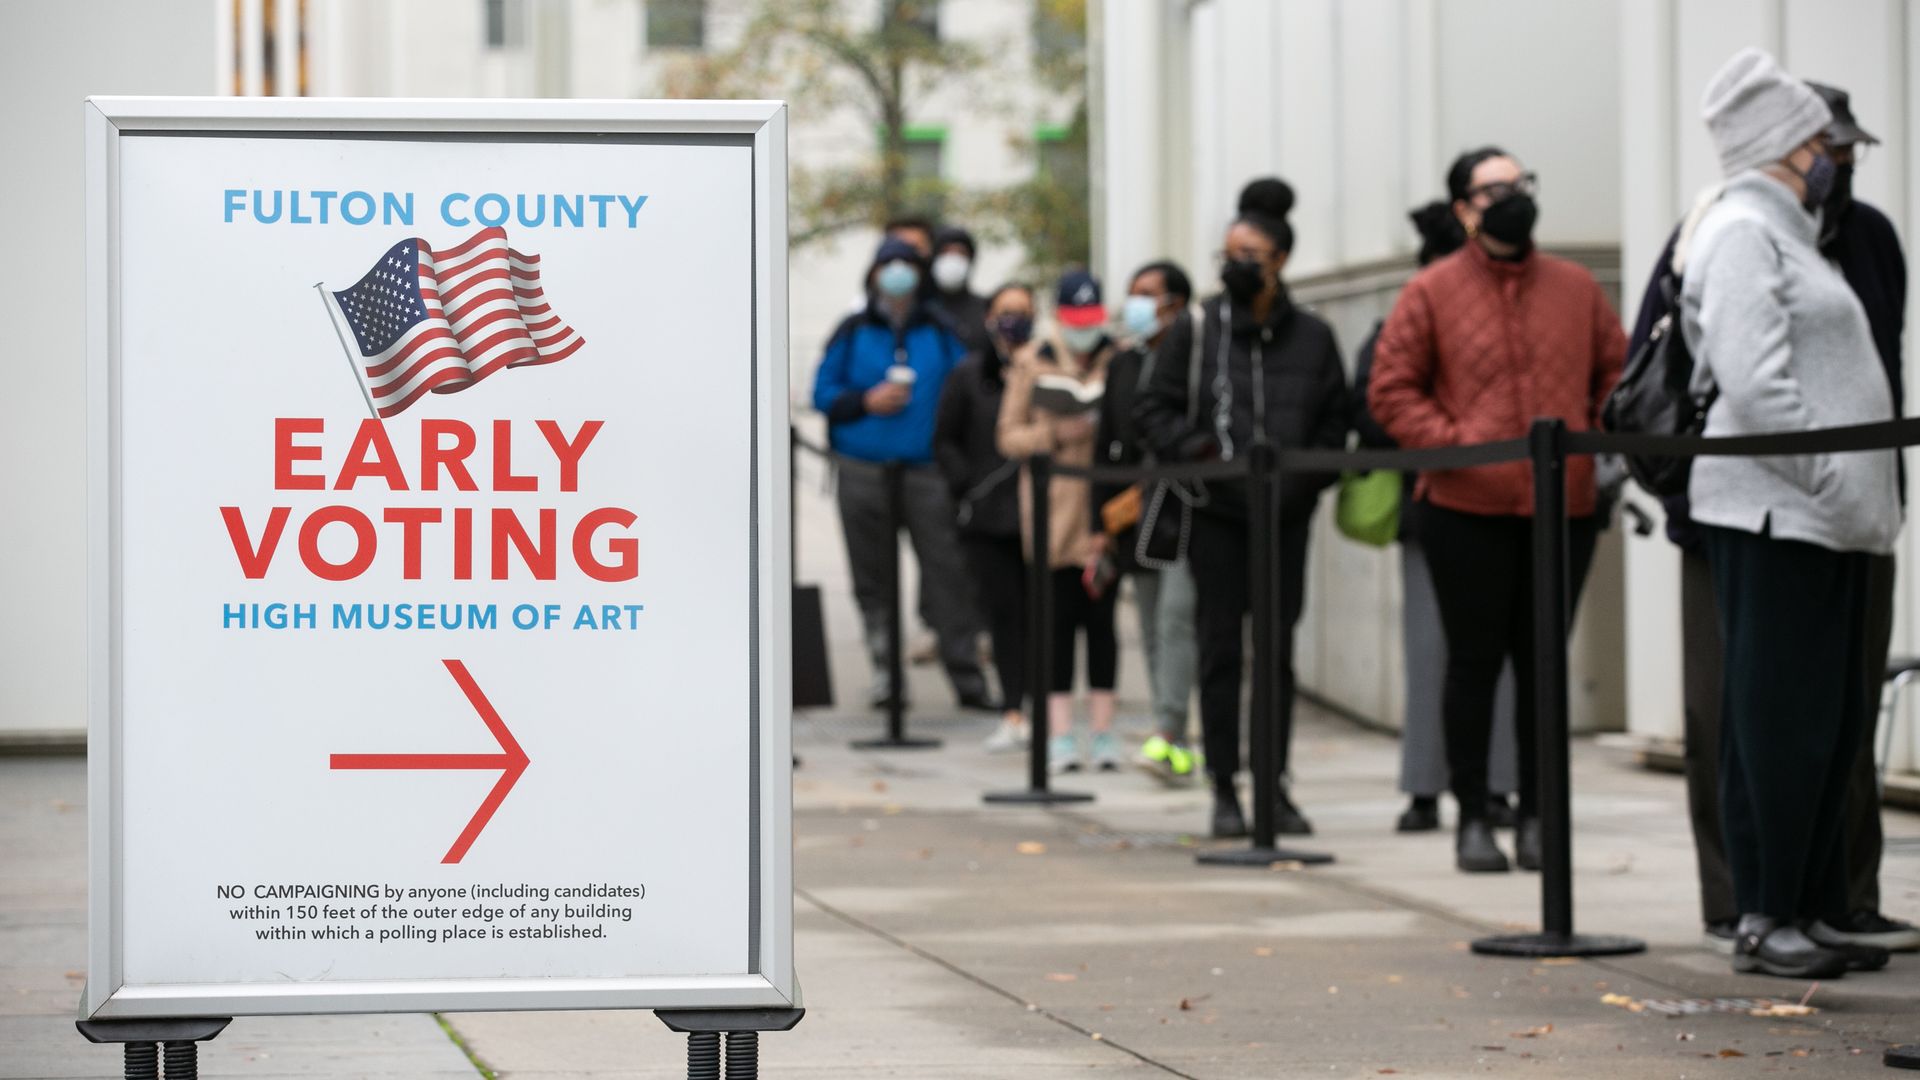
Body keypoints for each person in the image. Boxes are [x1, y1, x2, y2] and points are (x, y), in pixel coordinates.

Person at [1635, 79, 1920, 956]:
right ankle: (1765, 912)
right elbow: (1756, 388)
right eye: (1820, 143)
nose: (1833, 160)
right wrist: (1827, 480)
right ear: (1785, 145)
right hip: (1777, 517)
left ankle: (1818, 903)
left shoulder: (1797, 235)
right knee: (1773, 722)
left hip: (1826, 521)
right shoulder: (1740, 232)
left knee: (1830, 725)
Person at [1369, 148, 1625, 874]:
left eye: (1519, 184)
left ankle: (1542, 817)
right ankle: (1473, 816)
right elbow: (1392, 389)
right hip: (1465, 508)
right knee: (1474, 665)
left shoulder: (1575, 287)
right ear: (1463, 209)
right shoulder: (1431, 290)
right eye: (1492, 189)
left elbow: (1619, 371)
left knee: (1544, 665)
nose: (1510, 197)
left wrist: (1591, 439)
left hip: (1563, 506)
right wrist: (1457, 446)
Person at [1133, 182, 1351, 838]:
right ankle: (1223, 787)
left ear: (1279, 259)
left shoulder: (1313, 337)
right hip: (1216, 516)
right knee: (1220, 651)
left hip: (1284, 519)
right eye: (1228, 252)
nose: (1236, 264)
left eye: (1249, 253)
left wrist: (1301, 485)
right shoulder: (1198, 328)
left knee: (1277, 654)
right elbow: (1153, 411)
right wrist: (1204, 456)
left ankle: (1272, 786)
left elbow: (1334, 422)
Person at [1354, 202, 1522, 834]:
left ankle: (1495, 786)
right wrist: (1449, 439)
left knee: (1494, 656)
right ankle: (1427, 786)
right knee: (1433, 656)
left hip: (1500, 500)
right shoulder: (1412, 311)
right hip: (1431, 505)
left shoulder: (1509, 308)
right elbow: (1373, 401)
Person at [811, 236, 993, 712]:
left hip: (927, 474)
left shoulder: (940, 329)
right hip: (862, 472)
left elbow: (967, 390)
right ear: (872, 273)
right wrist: (865, 401)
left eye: (907, 264)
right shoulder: (851, 331)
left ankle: (967, 679)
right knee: (872, 580)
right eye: (887, 263)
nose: (897, 272)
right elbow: (822, 392)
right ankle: (887, 679)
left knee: (948, 576)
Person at [997, 270, 1121, 772]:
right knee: (1056, 625)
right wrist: (1057, 435)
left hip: (1106, 510)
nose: (1084, 332)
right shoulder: (1033, 361)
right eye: (1075, 321)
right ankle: (1060, 734)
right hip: (1053, 512)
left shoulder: (1120, 357)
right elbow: (1008, 435)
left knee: (1103, 625)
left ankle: (1105, 733)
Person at [1091, 259, 1200, 785]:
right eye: (1131, 293)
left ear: (1175, 303)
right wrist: (1102, 520)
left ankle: (1172, 732)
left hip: (1184, 509)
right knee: (1153, 624)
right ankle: (1168, 732)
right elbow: (1106, 446)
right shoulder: (1123, 364)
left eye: (1147, 294)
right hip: (1136, 513)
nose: (1136, 304)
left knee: (1178, 620)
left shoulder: (1198, 357)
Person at [936, 283, 1036, 752]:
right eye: (1005, 312)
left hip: (1041, 519)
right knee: (1003, 617)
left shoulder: (1046, 372)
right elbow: (946, 438)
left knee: (1042, 619)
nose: (1014, 321)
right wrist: (968, 487)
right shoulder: (969, 374)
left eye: (1023, 312)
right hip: (988, 518)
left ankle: (1042, 710)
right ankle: (1012, 707)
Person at [929, 226, 992, 356]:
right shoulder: (920, 309)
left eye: (960, 253)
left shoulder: (986, 309)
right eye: (945, 252)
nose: (952, 259)